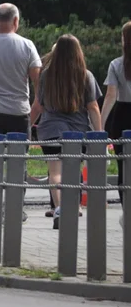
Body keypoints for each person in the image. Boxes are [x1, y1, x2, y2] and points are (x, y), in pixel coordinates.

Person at [31, 34, 101, 229]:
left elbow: (38, 106)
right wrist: (99, 133)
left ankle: (60, 208)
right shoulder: (86, 75)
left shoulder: (46, 76)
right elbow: (93, 107)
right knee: (73, 171)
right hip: (78, 132)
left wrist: (26, 126)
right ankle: (73, 206)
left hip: (51, 130)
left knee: (55, 172)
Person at [0, 3, 42, 138]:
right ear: (16, 20)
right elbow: (38, 82)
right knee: (17, 158)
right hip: (18, 112)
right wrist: (33, 114)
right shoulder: (27, 46)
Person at [101, 21, 131, 199]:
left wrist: (100, 124)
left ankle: (126, 210)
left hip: (122, 116)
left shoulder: (116, 65)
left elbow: (111, 95)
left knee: (123, 166)